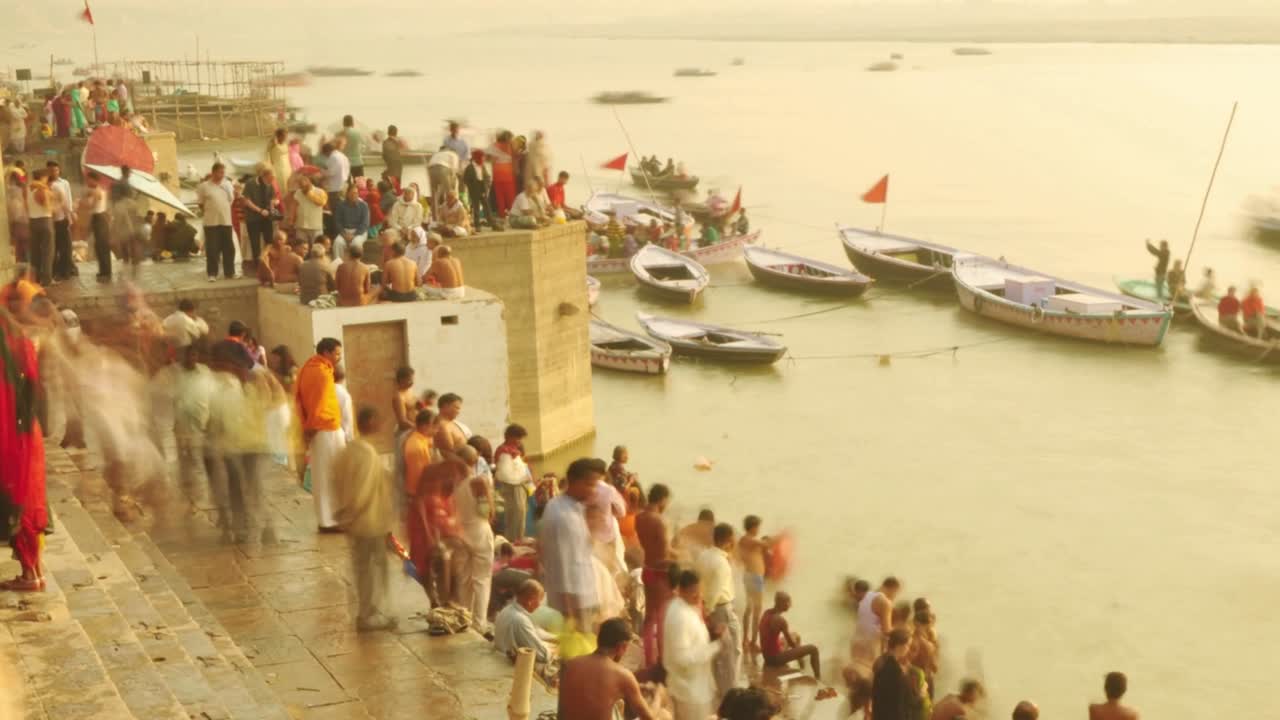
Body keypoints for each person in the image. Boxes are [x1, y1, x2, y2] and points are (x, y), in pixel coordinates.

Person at [331, 406, 397, 631]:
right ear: (369, 422)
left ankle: (366, 614)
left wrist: (343, 512)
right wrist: (351, 513)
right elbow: (364, 491)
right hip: (370, 522)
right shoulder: (367, 453)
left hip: (357, 523)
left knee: (362, 570)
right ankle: (370, 616)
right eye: (378, 419)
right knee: (373, 571)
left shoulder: (348, 451)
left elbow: (337, 481)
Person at [0, 311, 48, 592]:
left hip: (16, 438)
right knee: (31, 500)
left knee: (21, 500)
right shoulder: (22, 346)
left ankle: (30, 574)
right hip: (29, 432)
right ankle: (35, 572)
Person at [539, 458, 605, 629]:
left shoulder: (569, 506)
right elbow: (562, 563)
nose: (595, 491)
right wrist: (568, 607)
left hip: (582, 591)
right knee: (579, 644)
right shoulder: (563, 516)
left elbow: (584, 548)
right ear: (575, 483)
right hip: (574, 598)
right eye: (591, 485)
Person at [559, 618, 661, 720]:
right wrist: (659, 695)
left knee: (619, 705)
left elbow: (561, 712)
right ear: (622, 646)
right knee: (663, 714)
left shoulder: (570, 665)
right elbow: (649, 718)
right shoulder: (623, 675)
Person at [296, 338, 346, 532]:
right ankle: (329, 521)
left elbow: (300, 399)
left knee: (321, 474)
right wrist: (311, 428)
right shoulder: (322, 373)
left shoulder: (308, 368)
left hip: (319, 429)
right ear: (325, 352)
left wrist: (306, 427)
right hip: (325, 429)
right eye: (336, 353)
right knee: (329, 475)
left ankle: (328, 519)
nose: (339, 357)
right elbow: (319, 405)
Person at [664, 569, 726, 720]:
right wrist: (716, 646)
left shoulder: (685, 607)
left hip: (696, 687)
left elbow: (694, 642)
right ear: (681, 590)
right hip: (689, 692)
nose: (698, 595)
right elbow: (682, 658)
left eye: (699, 590)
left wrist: (713, 636)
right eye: (693, 592)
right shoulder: (680, 616)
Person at [453, 444, 496, 631]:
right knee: (482, 579)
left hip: (461, 533)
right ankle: (479, 624)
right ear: (474, 460)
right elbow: (486, 511)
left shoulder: (452, 484)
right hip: (479, 531)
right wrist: (491, 502)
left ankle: (464, 618)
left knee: (464, 579)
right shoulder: (478, 482)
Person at [696, 523, 740, 701]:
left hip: (708, 607)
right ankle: (731, 693)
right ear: (729, 540)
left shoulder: (704, 555)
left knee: (718, 653)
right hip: (721, 609)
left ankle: (722, 689)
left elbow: (700, 583)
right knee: (732, 651)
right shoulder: (721, 563)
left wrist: (704, 610)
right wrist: (709, 609)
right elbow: (715, 590)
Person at [494, 578, 557, 664]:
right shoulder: (520, 620)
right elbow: (542, 655)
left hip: (499, 656)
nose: (539, 606)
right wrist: (556, 650)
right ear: (530, 601)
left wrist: (556, 638)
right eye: (540, 601)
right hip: (508, 664)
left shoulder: (507, 609)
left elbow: (534, 631)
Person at [759, 591, 822, 678]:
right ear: (781, 603)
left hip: (767, 656)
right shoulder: (780, 620)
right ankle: (818, 678)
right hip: (775, 659)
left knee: (795, 635)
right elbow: (792, 645)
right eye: (788, 602)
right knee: (813, 649)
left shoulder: (767, 612)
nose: (790, 605)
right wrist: (800, 653)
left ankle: (802, 669)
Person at [198, 162, 237, 281]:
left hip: (226, 221)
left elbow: (231, 200)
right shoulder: (204, 186)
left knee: (229, 248)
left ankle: (229, 273)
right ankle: (212, 273)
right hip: (211, 222)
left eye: (223, 172)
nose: (222, 175)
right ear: (213, 172)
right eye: (220, 172)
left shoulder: (228, 184)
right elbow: (201, 203)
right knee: (212, 248)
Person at [494, 424, 532, 540]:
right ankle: (513, 542)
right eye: (518, 438)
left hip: (518, 487)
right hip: (511, 488)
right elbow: (506, 476)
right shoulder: (505, 452)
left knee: (519, 517)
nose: (519, 441)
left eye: (520, 438)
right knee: (514, 517)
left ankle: (517, 539)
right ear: (509, 437)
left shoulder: (514, 450)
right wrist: (525, 478)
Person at [739, 515, 770, 654]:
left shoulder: (747, 541)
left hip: (751, 576)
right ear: (752, 527)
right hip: (754, 577)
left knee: (750, 608)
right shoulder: (749, 540)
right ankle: (752, 641)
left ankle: (747, 639)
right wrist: (781, 536)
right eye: (757, 526)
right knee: (756, 610)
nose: (758, 529)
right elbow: (766, 544)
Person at [853, 576, 900, 667]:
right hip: (871, 646)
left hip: (857, 642)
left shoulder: (867, 596)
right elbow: (887, 631)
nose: (895, 596)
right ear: (893, 589)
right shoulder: (885, 602)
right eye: (896, 593)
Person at [872, 628, 914, 720]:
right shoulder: (895, 671)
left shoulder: (882, 662)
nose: (908, 649)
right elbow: (898, 705)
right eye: (908, 645)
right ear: (899, 645)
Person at [46, 161, 76, 281]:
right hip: (50, 220)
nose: (54, 173)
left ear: (59, 170)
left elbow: (68, 200)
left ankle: (67, 270)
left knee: (66, 246)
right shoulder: (45, 184)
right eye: (51, 170)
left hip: (62, 218)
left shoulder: (64, 183)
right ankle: (55, 271)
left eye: (56, 170)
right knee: (54, 247)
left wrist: (69, 216)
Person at [241, 165, 276, 266]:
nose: (272, 180)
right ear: (264, 176)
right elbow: (246, 200)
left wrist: (273, 205)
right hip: (253, 218)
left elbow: (272, 198)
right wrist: (259, 210)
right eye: (270, 178)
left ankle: (268, 262)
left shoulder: (270, 184)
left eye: (273, 178)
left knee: (269, 240)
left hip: (267, 217)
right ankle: (258, 265)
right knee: (255, 243)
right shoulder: (250, 183)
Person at [26, 170, 54, 286]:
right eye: (46, 178)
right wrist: (55, 207)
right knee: (48, 251)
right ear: (43, 177)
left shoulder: (28, 189)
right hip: (45, 220)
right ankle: (47, 279)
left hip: (32, 221)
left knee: (35, 251)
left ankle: (35, 278)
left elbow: (26, 205)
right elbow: (47, 207)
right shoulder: (42, 190)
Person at [83, 172, 112, 280]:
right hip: (100, 217)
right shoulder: (100, 190)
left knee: (101, 246)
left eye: (89, 180)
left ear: (94, 180)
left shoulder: (96, 191)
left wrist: (84, 202)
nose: (87, 182)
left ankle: (105, 272)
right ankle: (104, 271)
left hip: (99, 218)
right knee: (100, 246)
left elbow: (91, 206)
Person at [291, 174, 327, 243]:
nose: (301, 185)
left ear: (309, 181)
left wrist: (309, 193)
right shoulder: (298, 192)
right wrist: (292, 221)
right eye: (300, 184)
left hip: (315, 227)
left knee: (316, 249)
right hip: (301, 226)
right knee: (301, 249)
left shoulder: (320, 191)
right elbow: (294, 207)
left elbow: (321, 202)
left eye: (303, 182)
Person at [489, 131, 517, 218]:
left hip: (497, 175)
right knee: (510, 197)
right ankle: (512, 215)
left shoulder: (494, 146)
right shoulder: (511, 146)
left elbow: (492, 161)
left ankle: (502, 215)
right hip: (508, 176)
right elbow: (515, 160)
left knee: (500, 197)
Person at [463, 149, 492, 229]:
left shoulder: (482, 166)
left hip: (482, 187)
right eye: (482, 157)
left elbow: (487, 176)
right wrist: (471, 187)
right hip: (474, 188)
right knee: (476, 207)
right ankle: (477, 225)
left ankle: (492, 223)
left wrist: (487, 185)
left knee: (486, 206)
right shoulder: (470, 167)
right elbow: (465, 179)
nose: (483, 159)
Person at [427, 145, 459, 213]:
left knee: (434, 195)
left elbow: (429, 164)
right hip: (443, 168)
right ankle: (451, 213)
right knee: (449, 194)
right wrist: (453, 183)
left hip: (431, 169)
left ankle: (434, 217)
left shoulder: (437, 154)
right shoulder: (453, 154)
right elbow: (454, 169)